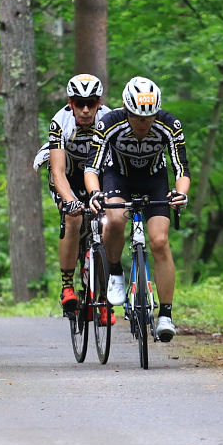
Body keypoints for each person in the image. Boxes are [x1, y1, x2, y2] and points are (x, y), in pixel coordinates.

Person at [83, 76, 190, 342]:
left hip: (154, 180)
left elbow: (181, 169)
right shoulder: (109, 123)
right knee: (116, 219)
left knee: (159, 241)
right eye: (138, 118)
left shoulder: (169, 124)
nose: (144, 124)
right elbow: (91, 168)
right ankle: (116, 272)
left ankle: (165, 314)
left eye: (150, 117)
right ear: (126, 110)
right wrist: (95, 193)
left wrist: (181, 193)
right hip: (117, 176)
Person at [33, 73, 111, 314]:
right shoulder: (60, 121)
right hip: (68, 177)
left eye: (91, 103)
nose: (86, 109)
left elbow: (114, 165)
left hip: (98, 177)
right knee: (73, 217)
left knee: (108, 223)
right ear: (70, 103)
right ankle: (67, 286)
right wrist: (70, 201)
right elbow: (57, 171)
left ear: (99, 103)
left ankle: (104, 294)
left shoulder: (109, 119)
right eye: (79, 103)